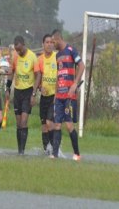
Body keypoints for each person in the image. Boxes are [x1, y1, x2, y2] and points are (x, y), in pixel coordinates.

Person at [51, 29, 85, 161]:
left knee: (69, 125)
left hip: (69, 96)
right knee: (57, 124)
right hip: (59, 95)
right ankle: (54, 155)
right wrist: (55, 94)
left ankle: (77, 154)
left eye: (53, 41)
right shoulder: (57, 55)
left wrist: (75, 83)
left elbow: (81, 66)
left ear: (58, 39)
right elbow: (58, 74)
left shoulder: (71, 50)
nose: (52, 44)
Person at [6, 35, 41, 155]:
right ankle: (19, 149)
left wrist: (34, 93)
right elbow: (12, 72)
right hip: (17, 92)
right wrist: (7, 88)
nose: (18, 52)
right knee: (18, 123)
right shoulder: (15, 56)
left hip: (28, 92)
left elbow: (38, 76)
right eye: (16, 50)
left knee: (24, 122)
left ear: (24, 44)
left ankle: (22, 151)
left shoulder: (32, 57)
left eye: (20, 49)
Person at [37, 34, 57, 155]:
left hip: (55, 97)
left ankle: (54, 148)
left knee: (50, 123)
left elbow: (62, 77)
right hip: (44, 97)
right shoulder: (40, 59)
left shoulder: (57, 57)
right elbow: (37, 78)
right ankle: (46, 150)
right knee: (44, 125)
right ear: (43, 44)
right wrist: (39, 87)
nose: (49, 44)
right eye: (47, 42)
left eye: (51, 42)